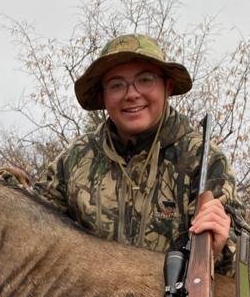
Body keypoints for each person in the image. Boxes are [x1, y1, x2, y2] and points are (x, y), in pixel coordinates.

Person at [32, 33, 238, 261]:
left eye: (145, 80)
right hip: (89, 294)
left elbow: (239, 252)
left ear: (167, 86)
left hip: (174, 294)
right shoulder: (75, 159)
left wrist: (221, 246)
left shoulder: (202, 158)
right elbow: (32, 219)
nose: (131, 94)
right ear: (103, 96)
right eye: (116, 85)